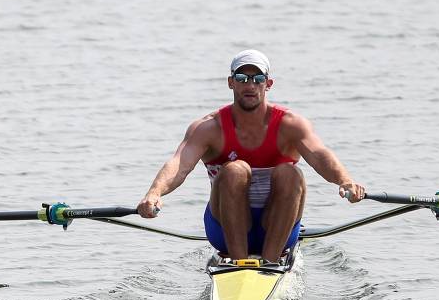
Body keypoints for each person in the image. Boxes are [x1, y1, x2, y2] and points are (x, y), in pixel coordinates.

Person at [138, 49, 366, 263]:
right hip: (224, 230)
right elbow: (179, 164)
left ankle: (270, 263)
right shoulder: (209, 128)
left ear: (268, 84)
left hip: (279, 228)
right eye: (242, 78)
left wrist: (345, 181)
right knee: (235, 169)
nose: (250, 85)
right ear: (230, 82)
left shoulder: (291, 125)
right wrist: (154, 193)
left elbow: (320, 156)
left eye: (257, 78)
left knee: (290, 172)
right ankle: (239, 264)